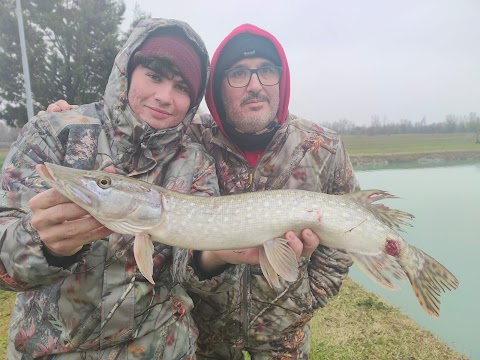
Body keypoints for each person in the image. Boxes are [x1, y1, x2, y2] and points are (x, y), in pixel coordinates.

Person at [42, 23, 359, 359]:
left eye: (266, 71)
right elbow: (132, 131)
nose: (254, 85)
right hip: (208, 332)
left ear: (282, 79)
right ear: (216, 89)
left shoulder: (323, 146)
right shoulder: (188, 139)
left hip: (285, 335)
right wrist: (72, 120)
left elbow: (348, 234)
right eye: (237, 73)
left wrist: (307, 298)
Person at [0, 18, 226, 359]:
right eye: (154, 75)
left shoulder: (195, 163)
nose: (165, 97)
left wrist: (218, 257)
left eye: (182, 88)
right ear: (127, 72)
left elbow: (188, 272)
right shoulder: (53, 131)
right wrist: (44, 246)